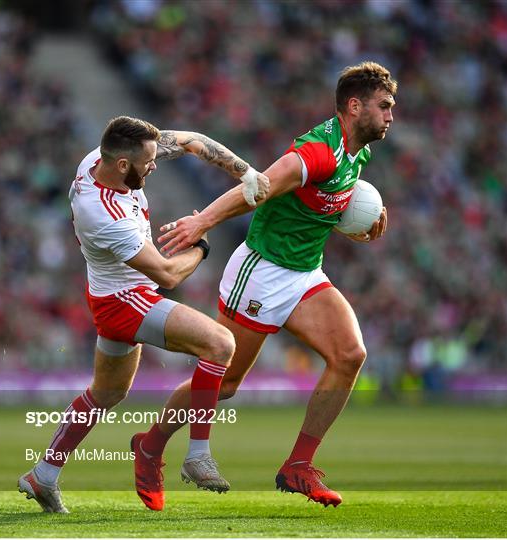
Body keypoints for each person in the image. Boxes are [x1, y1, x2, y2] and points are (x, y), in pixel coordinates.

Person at [154, 61, 396, 508]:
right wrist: (202, 221)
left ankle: (298, 467)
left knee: (350, 355)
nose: (390, 115)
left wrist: (358, 223)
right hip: (261, 271)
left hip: (304, 273)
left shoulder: (358, 151)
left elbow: (322, 202)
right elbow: (260, 186)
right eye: (383, 106)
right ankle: (151, 443)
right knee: (224, 385)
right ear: (354, 106)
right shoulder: (316, 151)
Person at [18, 116, 270, 513]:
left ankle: (43, 475)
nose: (154, 165)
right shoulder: (102, 213)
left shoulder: (103, 159)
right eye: (148, 162)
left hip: (109, 294)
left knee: (107, 393)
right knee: (220, 344)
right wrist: (200, 245)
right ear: (122, 165)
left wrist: (247, 172)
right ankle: (197, 454)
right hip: (124, 299)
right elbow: (168, 273)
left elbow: (190, 140)